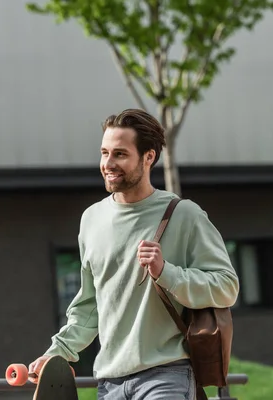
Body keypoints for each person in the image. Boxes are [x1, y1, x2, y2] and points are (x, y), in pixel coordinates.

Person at [28, 108, 240, 400]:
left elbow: (227, 287)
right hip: (110, 382)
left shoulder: (184, 215)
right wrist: (57, 353)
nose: (108, 164)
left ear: (149, 157)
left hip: (167, 374)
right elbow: (90, 305)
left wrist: (167, 272)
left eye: (120, 154)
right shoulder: (91, 219)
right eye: (104, 153)